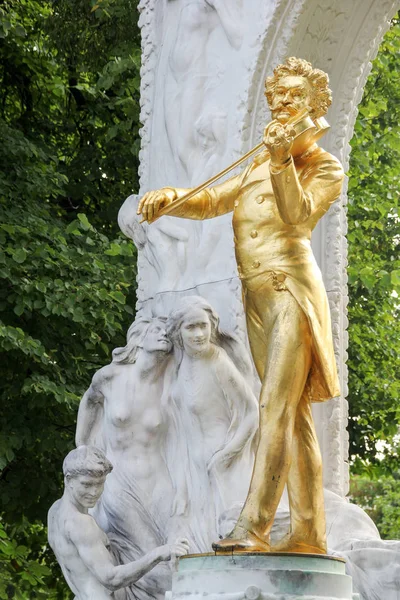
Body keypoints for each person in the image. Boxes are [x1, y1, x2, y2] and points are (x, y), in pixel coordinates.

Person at [137, 57, 344, 554]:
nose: (281, 105)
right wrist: (172, 197)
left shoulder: (322, 166)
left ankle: (252, 527)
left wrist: (279, 162)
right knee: (292, 414)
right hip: (256, 296)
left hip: (290, 287)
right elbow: (210, 200)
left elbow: (297, 217)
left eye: (293, 97)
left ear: (315, 104)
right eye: (277, 98)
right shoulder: (258, 163)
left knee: (273, 405)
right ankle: (309, 533)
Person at [75, 317, 175, 599]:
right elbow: (90, 400)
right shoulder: (110, 377)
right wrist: (82, 445)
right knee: (153, 565)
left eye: (167, 332)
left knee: (179, 551)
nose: (164, 335)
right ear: (139, 339)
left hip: (161, 481)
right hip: (120, 483)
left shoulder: (168, 382)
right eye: (157, 330)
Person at [164, 296, 258, 550]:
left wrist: (228, 454)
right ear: (178, 332)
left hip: (223, 466)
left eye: (203, 326)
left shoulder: (218, 361)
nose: (199, 334)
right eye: (191, 327)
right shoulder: (179, 366)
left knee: (226, 540)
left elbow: (252, 412)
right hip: (193, 468)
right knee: (203, 545)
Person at [48, 446, 189, 600]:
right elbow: (111, 579)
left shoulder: (55, 512)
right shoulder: (81, 523)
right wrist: (158, 554)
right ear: (68, 479)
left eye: (99, 484)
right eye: (86, 485)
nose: (94, 492)